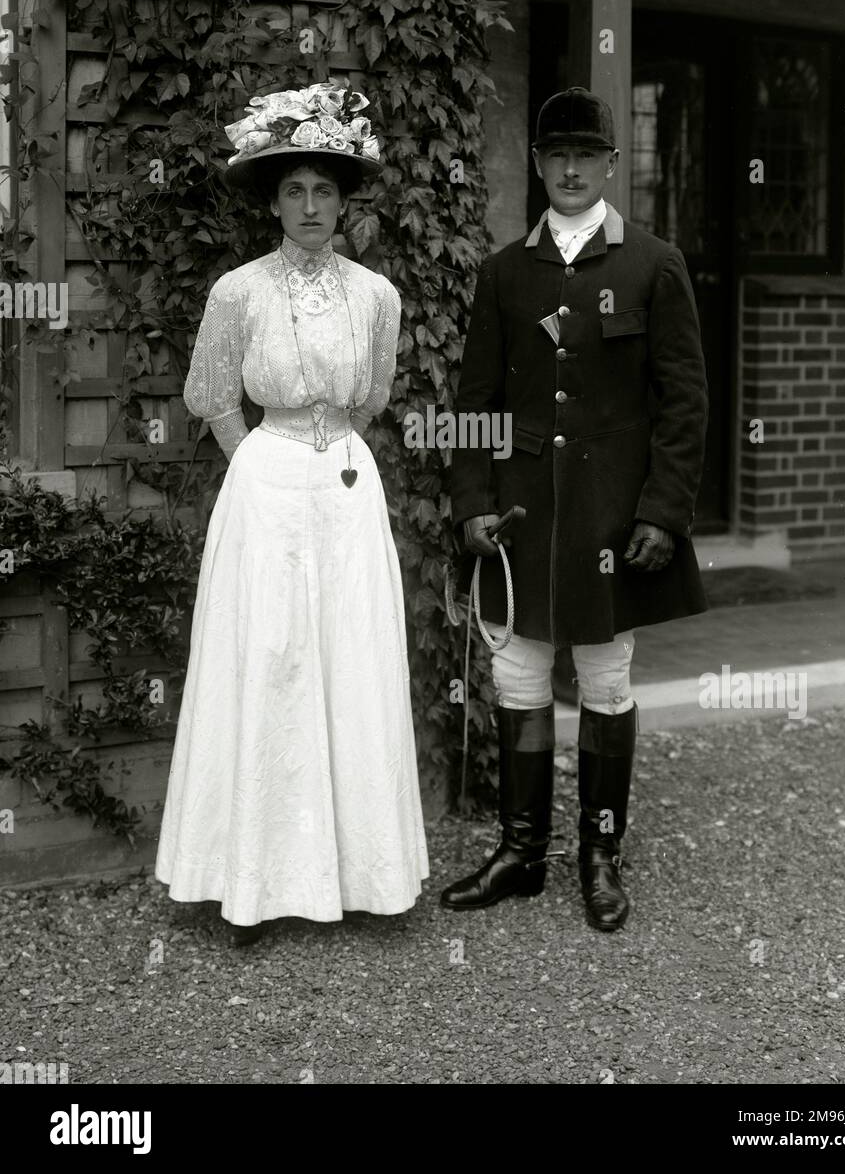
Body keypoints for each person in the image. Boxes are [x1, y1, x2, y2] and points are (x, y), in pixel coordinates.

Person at [155, 82, 429, 944]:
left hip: (346, 483)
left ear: (344, 201)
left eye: (324, 190)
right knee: (269, 661)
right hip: (266, 481)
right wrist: (265, 467)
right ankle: (252, 886)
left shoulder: (376, 295)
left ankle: (360, 878)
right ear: (273, 203)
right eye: (294, 191)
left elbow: (374, 395)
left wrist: (325, 453)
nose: (311, 207)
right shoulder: (238, 291)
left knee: (349, 658)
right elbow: (209, 395)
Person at [442, 86, 708, 932]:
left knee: (603, 677)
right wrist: (471, 505)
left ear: (608, 164)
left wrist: (660, 515)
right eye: (554, 155)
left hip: (608, 519)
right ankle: (521, 854)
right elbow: (474, 401)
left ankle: (599, 856)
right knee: (516, 677)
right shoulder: (502, 272)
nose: (567, 169)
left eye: (584, 156)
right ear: (535, 164)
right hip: (520, 515)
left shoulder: (652, 264)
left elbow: (684, 404)